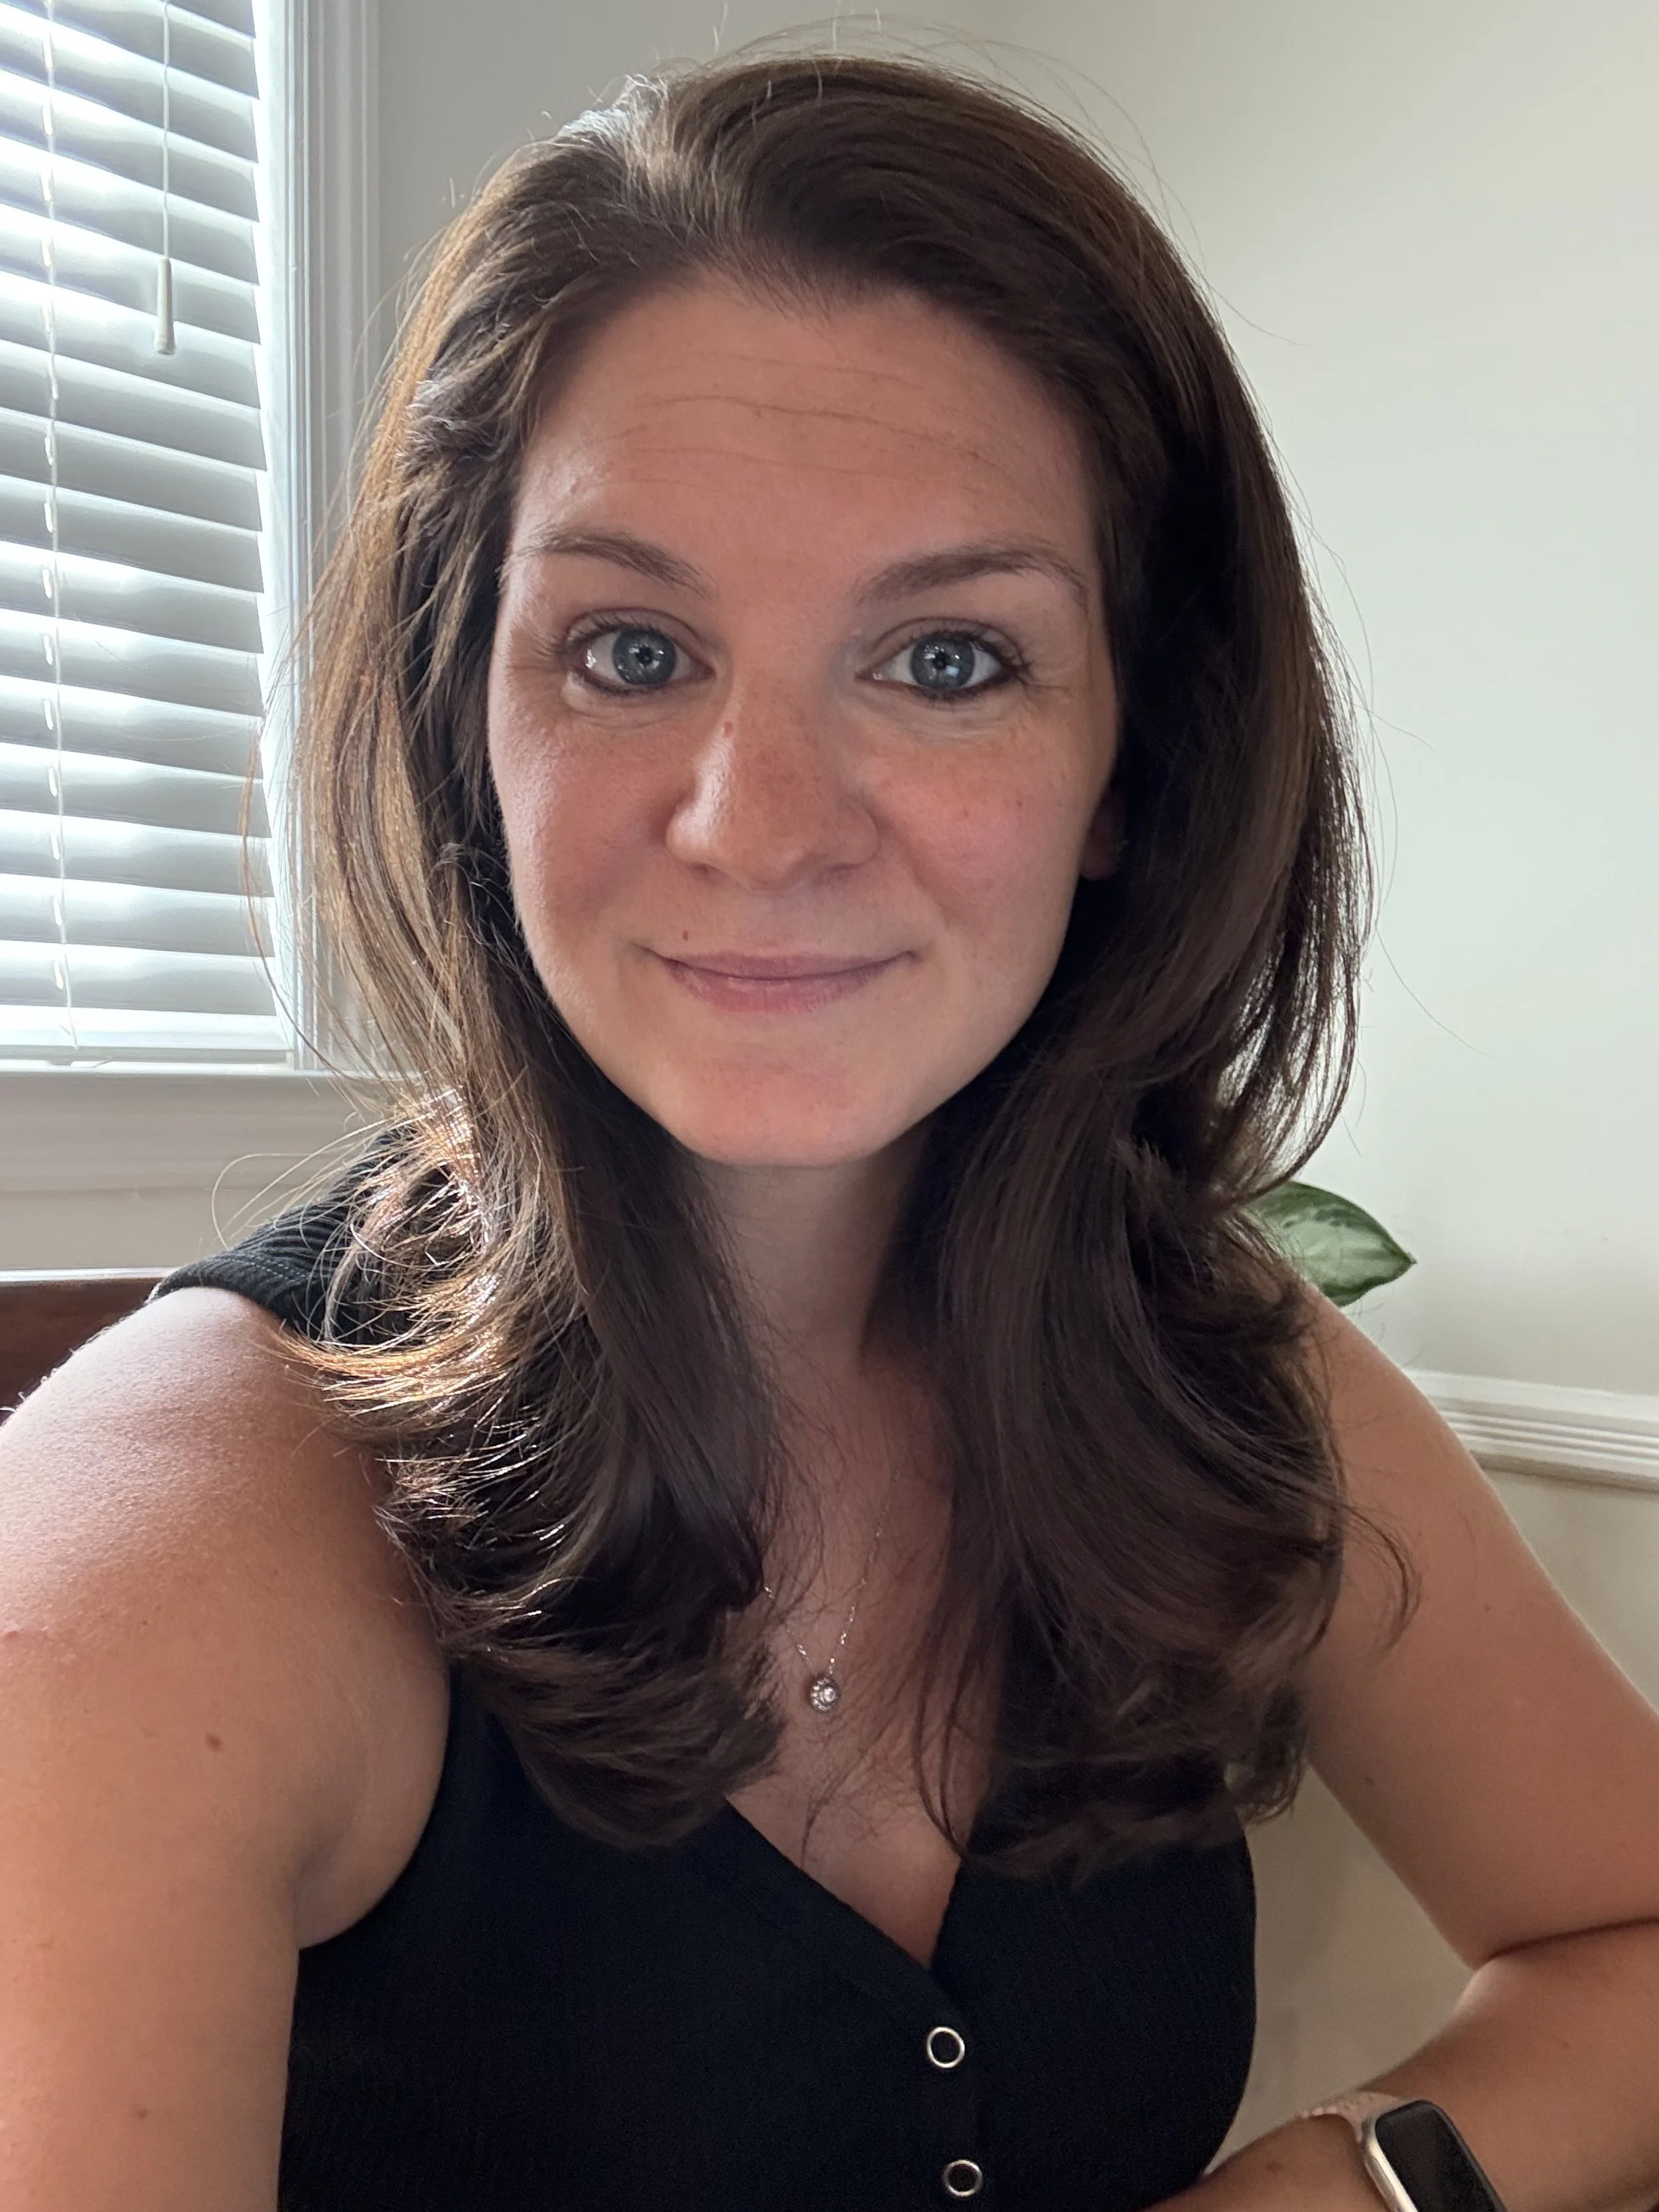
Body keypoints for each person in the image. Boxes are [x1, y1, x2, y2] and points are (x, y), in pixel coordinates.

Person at [3, 46, 1658, 2212]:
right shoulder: (167, 1553)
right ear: (465, 717)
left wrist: (1325, 2194)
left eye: (947, 660)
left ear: (1133, 765)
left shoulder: (1206, 1368)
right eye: (628, 649)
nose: (761, 823)